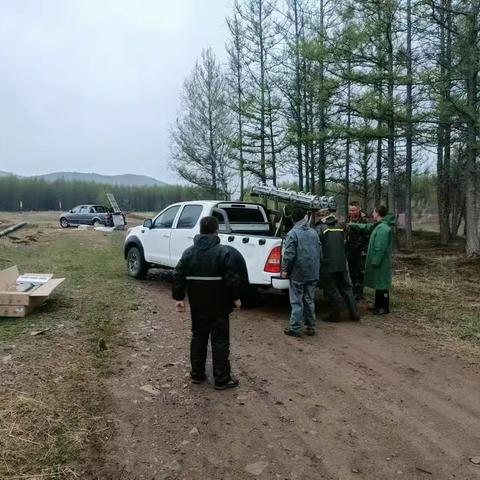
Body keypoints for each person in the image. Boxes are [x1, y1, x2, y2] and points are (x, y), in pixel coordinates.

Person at [172, 216, 243, 390]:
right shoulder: (223, 252)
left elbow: (178, 275)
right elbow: (232, 279)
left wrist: (179, 298)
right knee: (219, 340)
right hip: (219, 306)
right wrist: (236, 298)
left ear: (200, 231)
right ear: (216, 230)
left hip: (198, 305)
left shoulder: (189, 252)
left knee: (198, 337)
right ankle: (221, 379)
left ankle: (197, 375)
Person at [281, 207, 321, 337]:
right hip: (313, 271)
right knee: (309, 299)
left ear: (292, 219)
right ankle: (310, 327)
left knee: (297, 301)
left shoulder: (292, 233)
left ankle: (295, 328)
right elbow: (320, 252)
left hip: (298, 272)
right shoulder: (314, 232)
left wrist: (285, 270)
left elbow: (289, 255)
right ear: (304, 218)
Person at [316, 208, 361, 322]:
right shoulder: (340, 227)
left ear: (322, 216)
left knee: (331, 290)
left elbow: (316, 245)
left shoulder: (321, 228)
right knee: (346, 288)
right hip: (341, 263)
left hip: (328, 264)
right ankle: (354, 313)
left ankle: (335, 315)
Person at [349, 205, 395, 315]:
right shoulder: (379, 226)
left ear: (378, 213)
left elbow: (380, 247)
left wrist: (375, 261)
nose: (372, 214)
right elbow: (366, 227)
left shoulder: (383, 228)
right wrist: (352, 225)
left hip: (381, 262)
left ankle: (384, 308)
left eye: (374, 212)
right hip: (379, 262)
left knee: (382, 285)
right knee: (378, 284)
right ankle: (377, 305)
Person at [346, 201, 371, 301]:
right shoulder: (349, 219)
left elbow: (368, 237)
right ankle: (353, 291)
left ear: (359, 209)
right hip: (350, 250)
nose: (351, 212)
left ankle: (359, 293)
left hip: (361, 251)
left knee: (360, 273)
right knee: (352, 272)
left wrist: (364, 250)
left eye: (353, 210)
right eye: (350, 210)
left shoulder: (364, 220)